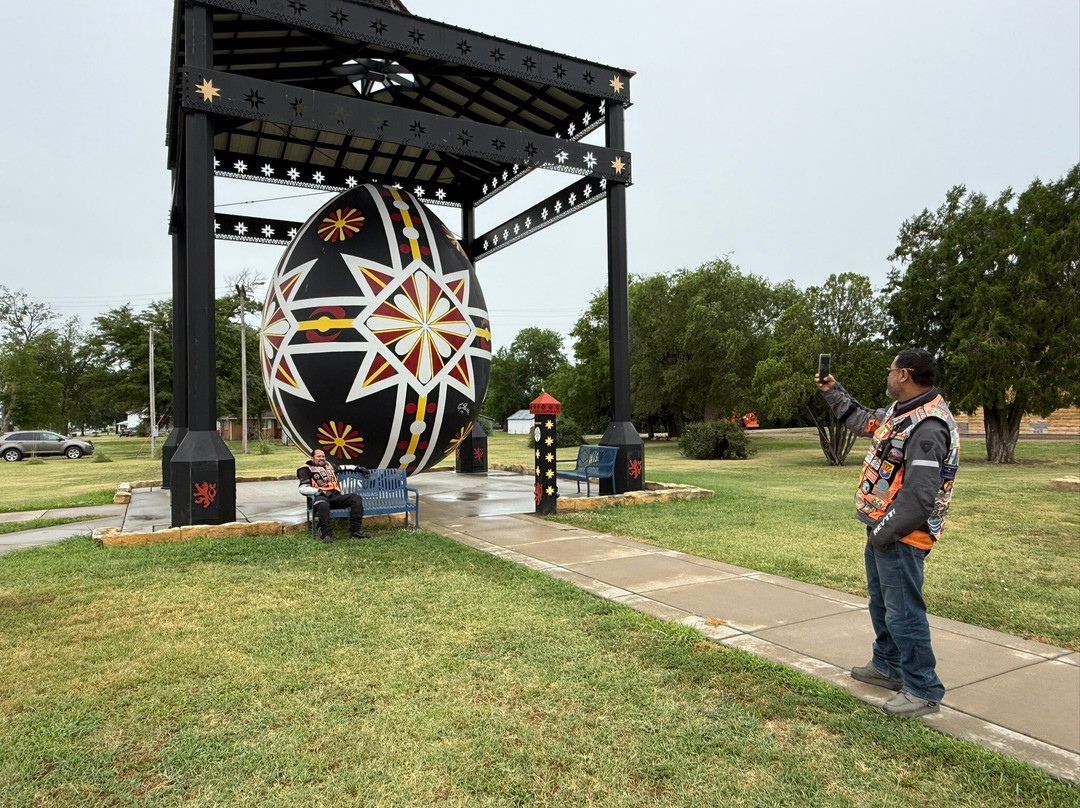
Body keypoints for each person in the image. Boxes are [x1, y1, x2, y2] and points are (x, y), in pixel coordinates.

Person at [817, 348, 960, 717]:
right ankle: (887, 665)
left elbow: (919, 496)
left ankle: (922, 688)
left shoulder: (929, 425)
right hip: (882, 528)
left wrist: (883, 532)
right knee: (882, 604)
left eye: (891, 370)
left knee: (904, 612)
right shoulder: (901, 413)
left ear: (905, 375)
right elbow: (863, 420)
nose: (888, 375)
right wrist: (833, 390)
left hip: (901, 533)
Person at [297, 449, 370, 542]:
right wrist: (320, 491)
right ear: (312, 458)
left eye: (323, 456)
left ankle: (355, 531)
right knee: (323, 504)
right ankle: (326, 535)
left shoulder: (329, 465)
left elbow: (343, 468)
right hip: (320, 498)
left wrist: (357, 468)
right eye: (319, 456)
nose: (322, 458)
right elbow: (303, 488)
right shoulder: (305, 469)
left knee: (356, 498)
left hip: (334, 497)